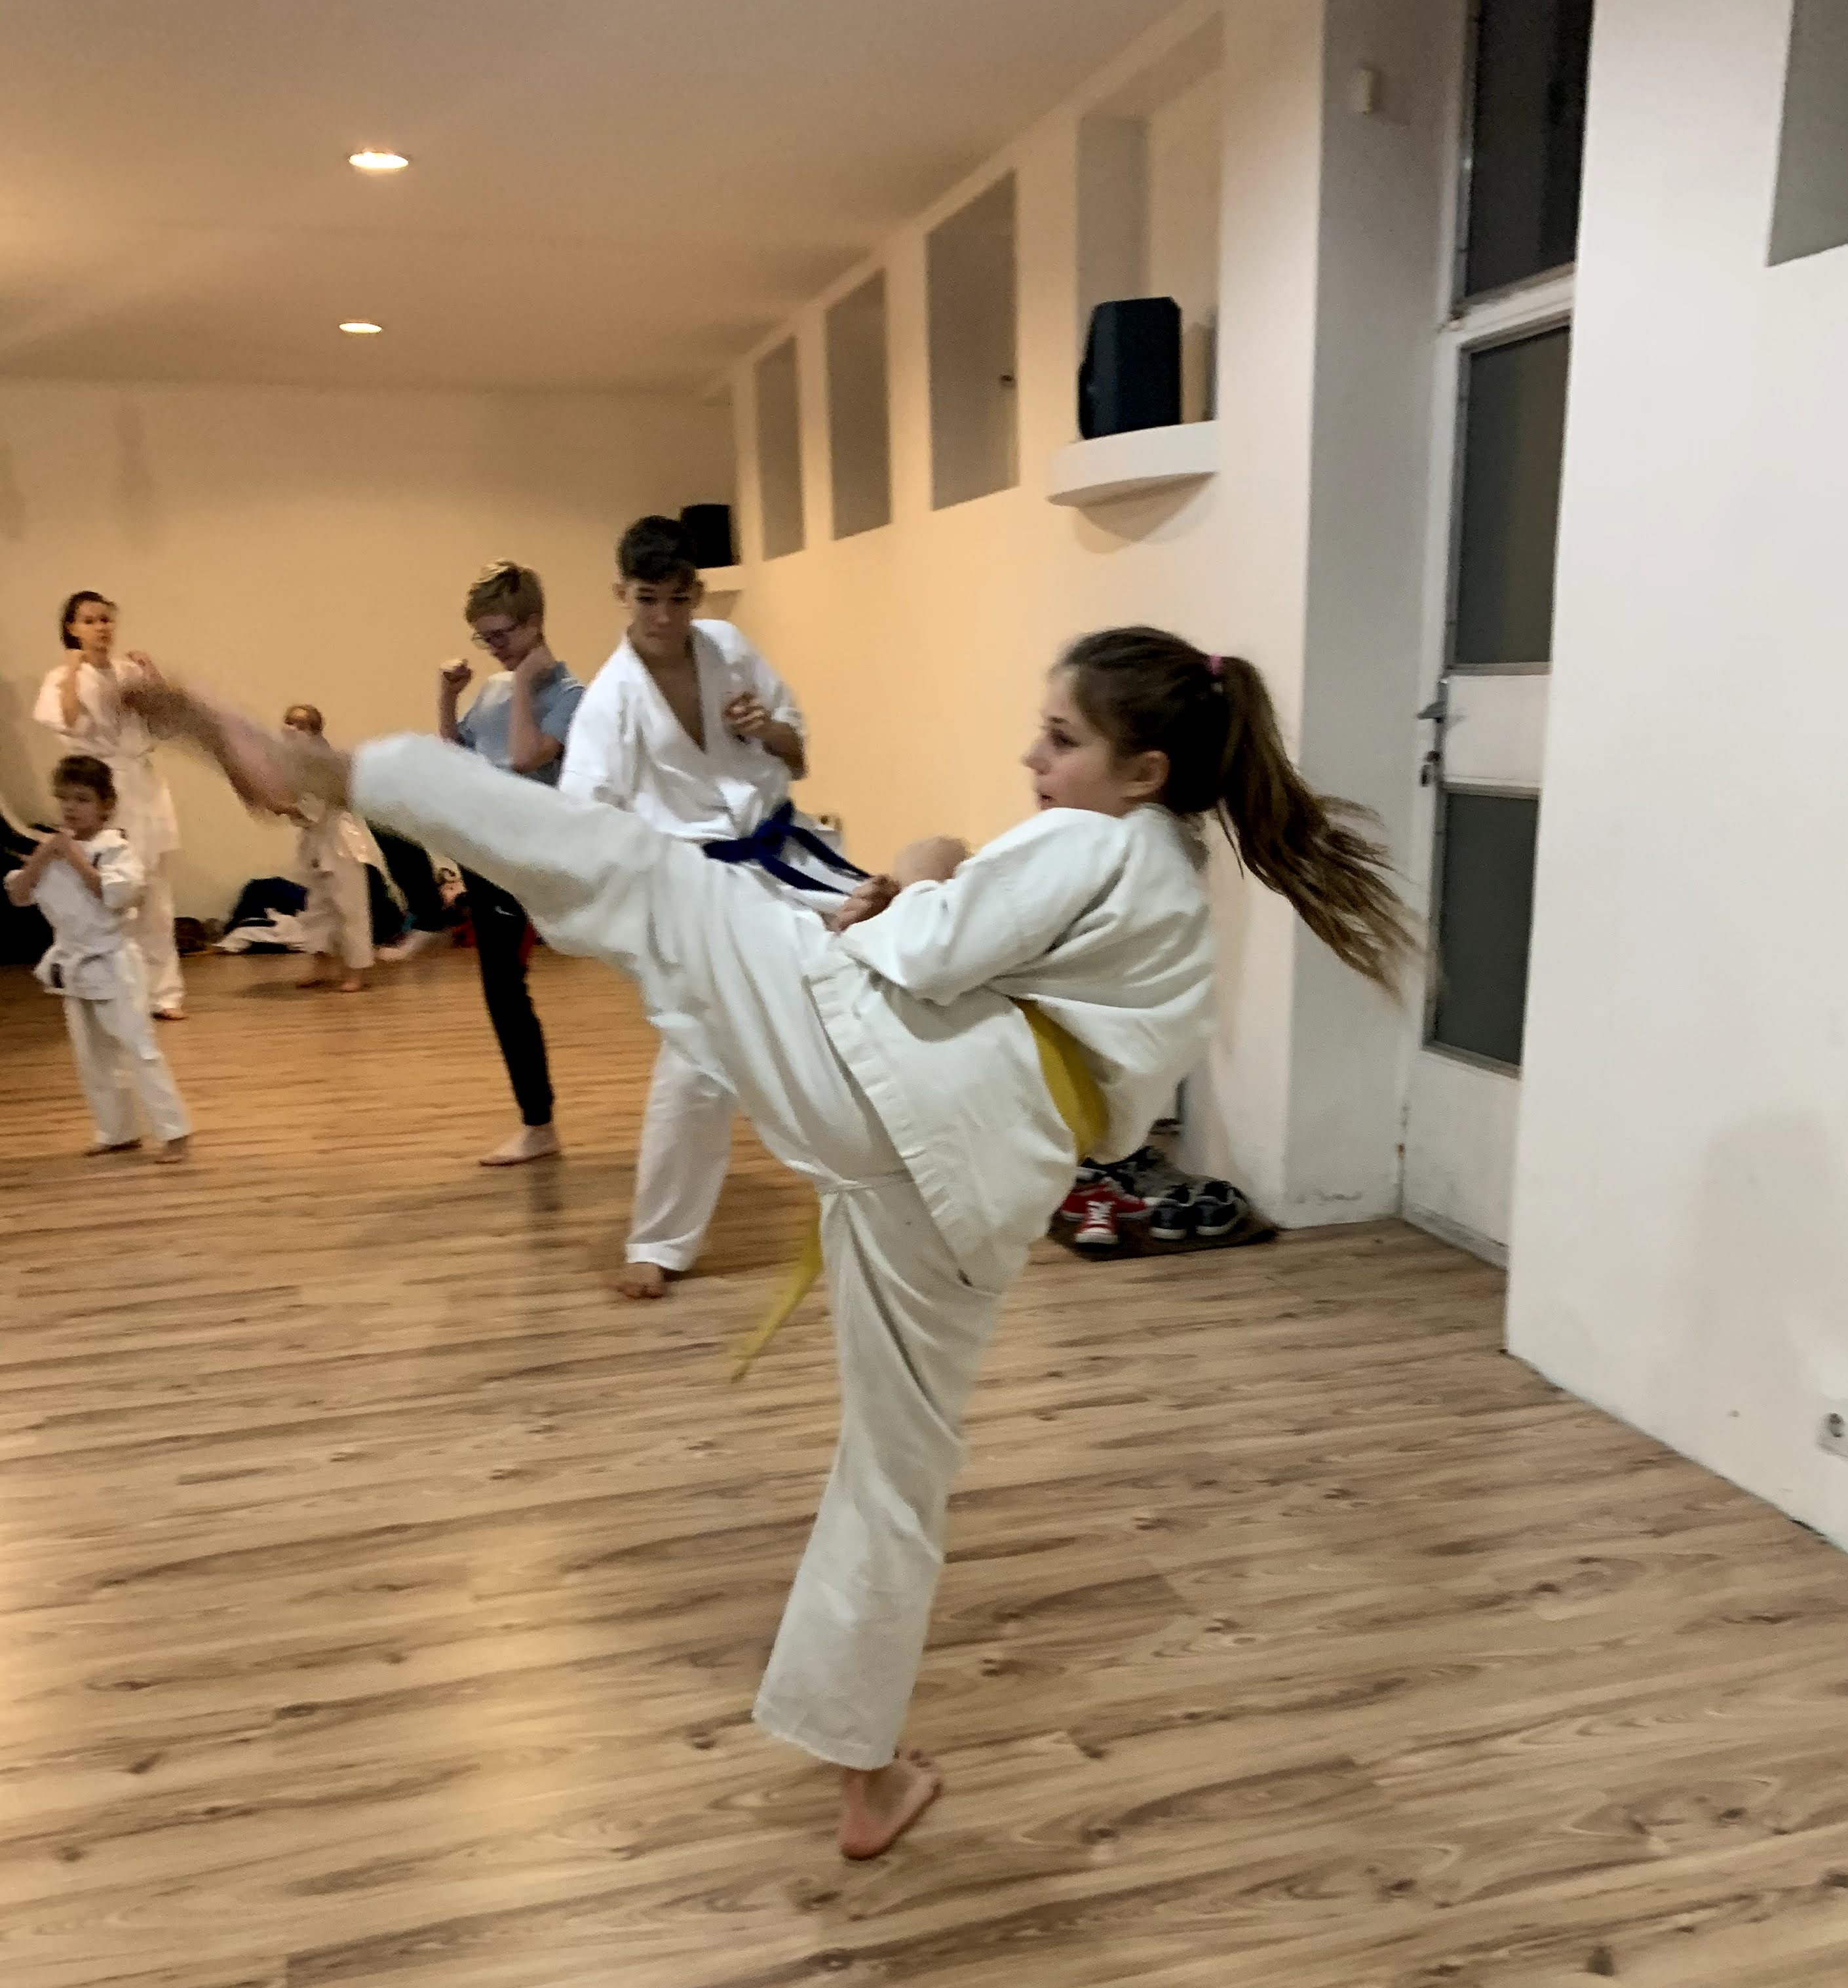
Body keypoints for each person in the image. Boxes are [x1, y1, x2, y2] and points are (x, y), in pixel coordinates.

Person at [130, 628, 1410, 1859]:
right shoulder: (1174, 893)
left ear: (1145, 771)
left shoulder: (1097, 836)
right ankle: (868, 1773)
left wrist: (904, 891)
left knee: (642, 877)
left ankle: (335, 772)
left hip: (882, 1076)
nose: (1035, 755)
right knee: (898, 1468)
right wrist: (925, 892)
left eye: (1062, 738)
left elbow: (932, 948)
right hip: (974, 1176)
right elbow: (1098, 1076)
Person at [561, 513, 858, 1300]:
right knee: (697, 1056)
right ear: (621, 594)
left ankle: (907, 1182)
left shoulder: (727, 648)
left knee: (876, 976)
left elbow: (797, 749)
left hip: (786, 857)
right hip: (697, 890)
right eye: (648, 599)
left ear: (698, 593)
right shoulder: (610, 702)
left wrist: (770, 730)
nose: (665, 617)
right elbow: (585, 823)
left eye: (679, 598)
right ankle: (658, 1242)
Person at [431, 560, 585, 1164]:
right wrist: (448, 697)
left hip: (535, 857)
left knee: (511, 986)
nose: (493, 647)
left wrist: (524, 683)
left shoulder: (571, 696)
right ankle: (539, 1126)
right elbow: (455, 757)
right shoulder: (493, 689)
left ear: (534, 623)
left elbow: (524, 757)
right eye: (483, 637)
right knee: (502, 988)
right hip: (488, 853)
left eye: (500, 635)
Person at [6, 754, 191, 1162]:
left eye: (82, 799)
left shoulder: (116, 849)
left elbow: (115, 895)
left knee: (139, 1048)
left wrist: (72, 855)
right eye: (64, 798)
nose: (71, 807)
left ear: (106, 805)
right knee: (93, 1057)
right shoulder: (52, 850)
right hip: (74, 962)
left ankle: (174, 1132)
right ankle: (117, 1131)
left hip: (115, 961)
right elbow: (19, 894)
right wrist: (44, 855)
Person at [33, 593, 185, 1019]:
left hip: (142, 785)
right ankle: (114, 993)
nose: (101, 627)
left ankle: (164, 993)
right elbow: (68, 720)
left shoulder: (129, 673)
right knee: (109, 890)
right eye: (89, 621)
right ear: (72, 629)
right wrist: (72, 668)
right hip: (98, 788)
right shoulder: (61, 677)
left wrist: (153, 678)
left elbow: (165, 725)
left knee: (155, 894)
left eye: (106, 619)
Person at [282, 704, 386, 992]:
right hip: (316, 843)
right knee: (317, 907)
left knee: (349, 909)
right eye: (288, 722)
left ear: (314, 730)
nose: (291, 729)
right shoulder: (293, 762)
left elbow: (311, 808)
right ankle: (320, 963)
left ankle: (356, 971)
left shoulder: (324, 761)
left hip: (341, 842)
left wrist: (276, 805)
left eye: (299, 725)